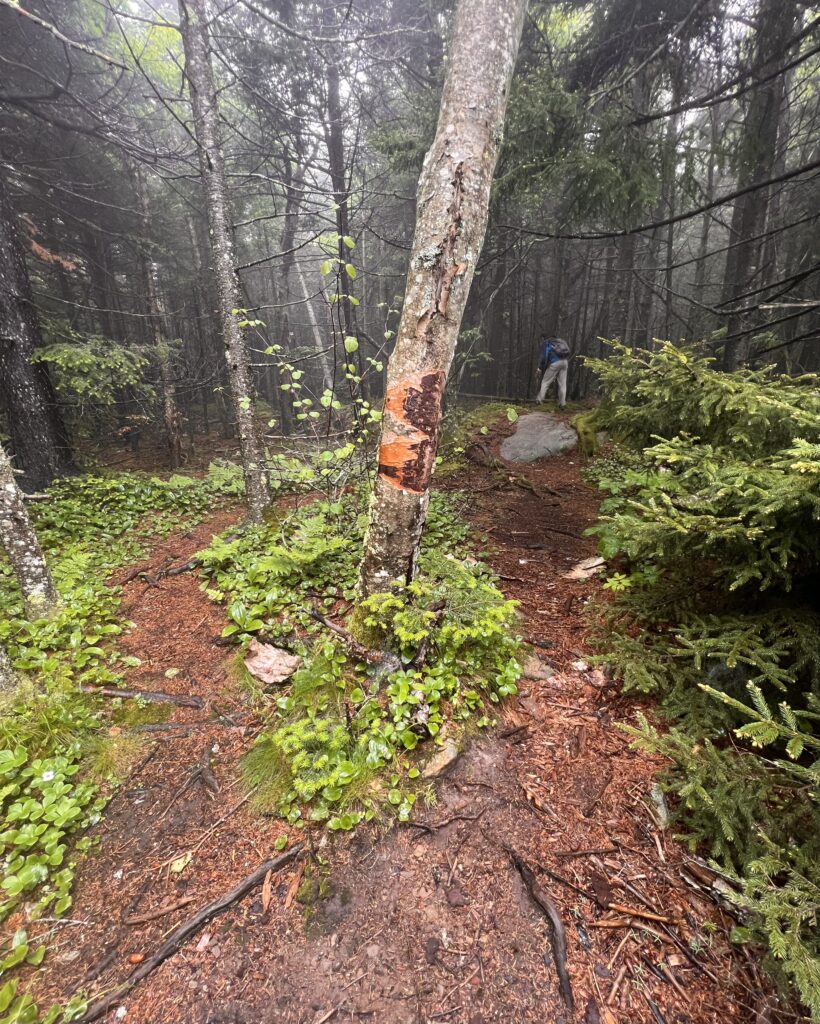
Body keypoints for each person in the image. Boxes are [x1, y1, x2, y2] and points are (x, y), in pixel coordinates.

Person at [536, 334, 570, 407]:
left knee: (545, 382)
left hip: (555, 363)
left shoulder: (547, 343)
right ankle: (562, 403)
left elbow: (544, 357)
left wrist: (540, 367)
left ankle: (539, 399)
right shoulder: (561, 342)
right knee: (563, 384)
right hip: (565, 362)